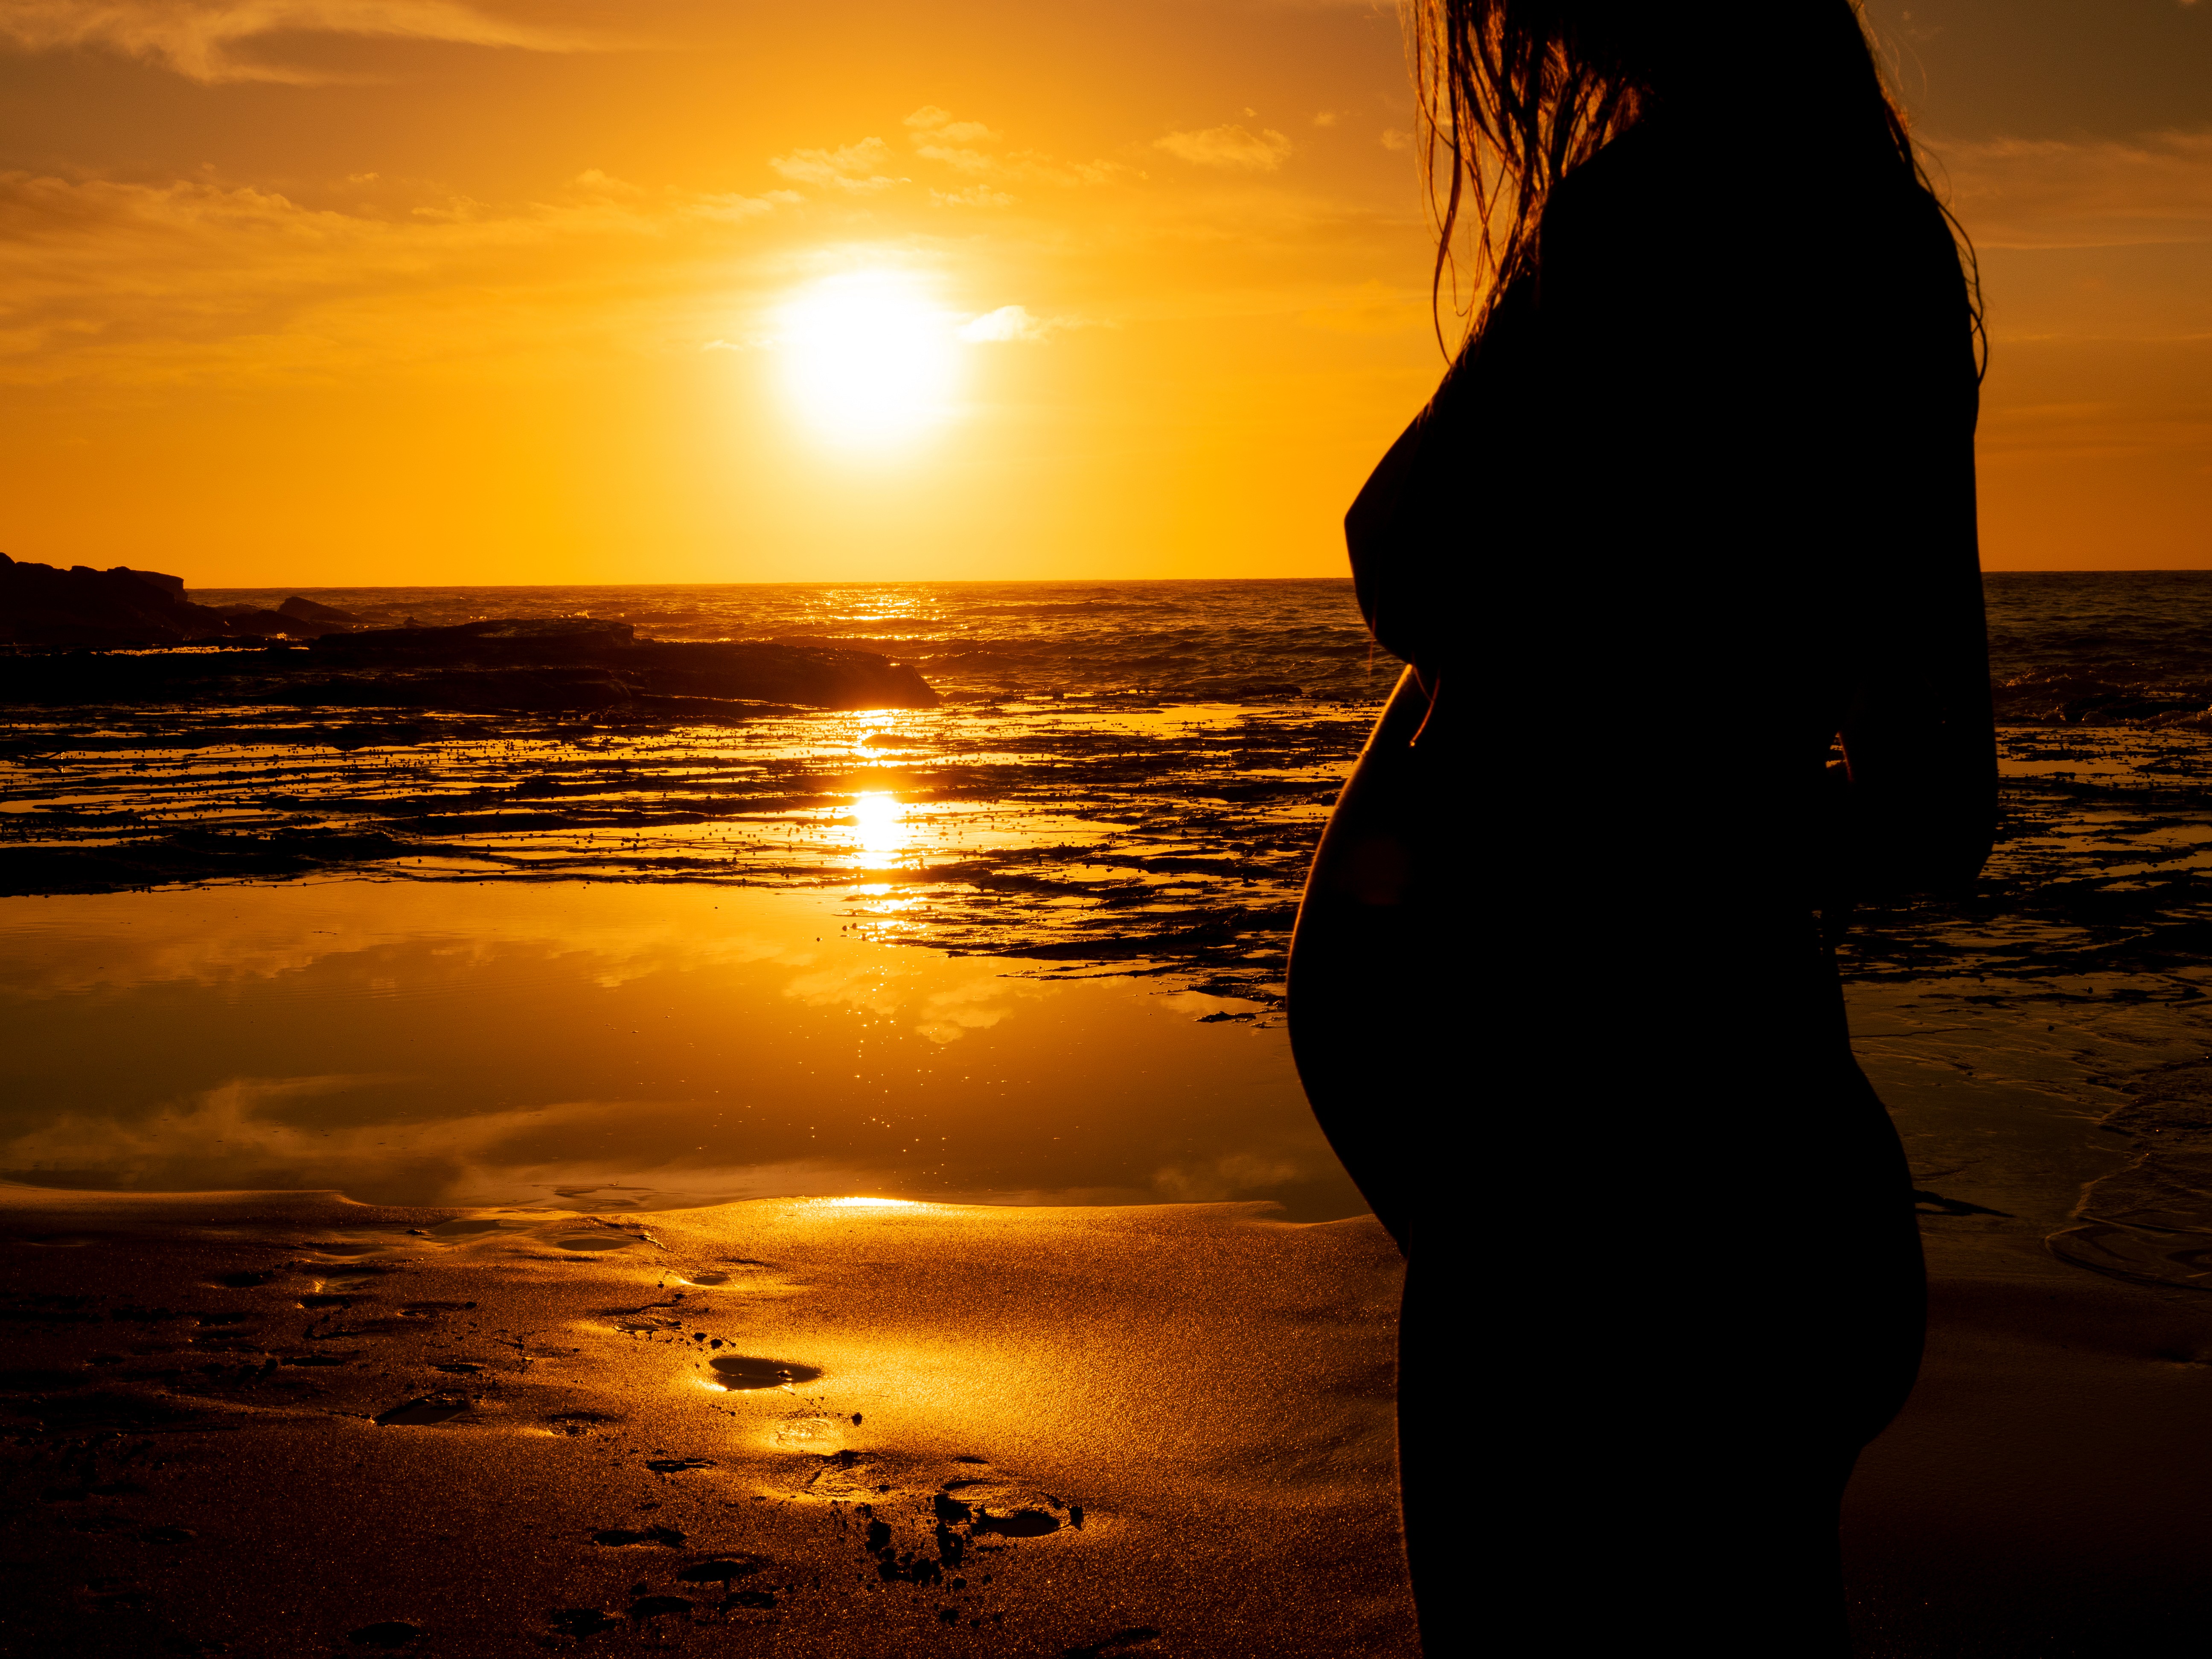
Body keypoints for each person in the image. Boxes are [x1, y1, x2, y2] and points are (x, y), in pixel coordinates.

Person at [1285, 3, 1997, 1651]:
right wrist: (1710, 817)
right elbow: (1936, 803)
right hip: (1765, 1176)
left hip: (1578, 1196)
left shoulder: (1650, 207)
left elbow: (1402, 546)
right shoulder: (1888, 256)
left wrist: (1594, 824)